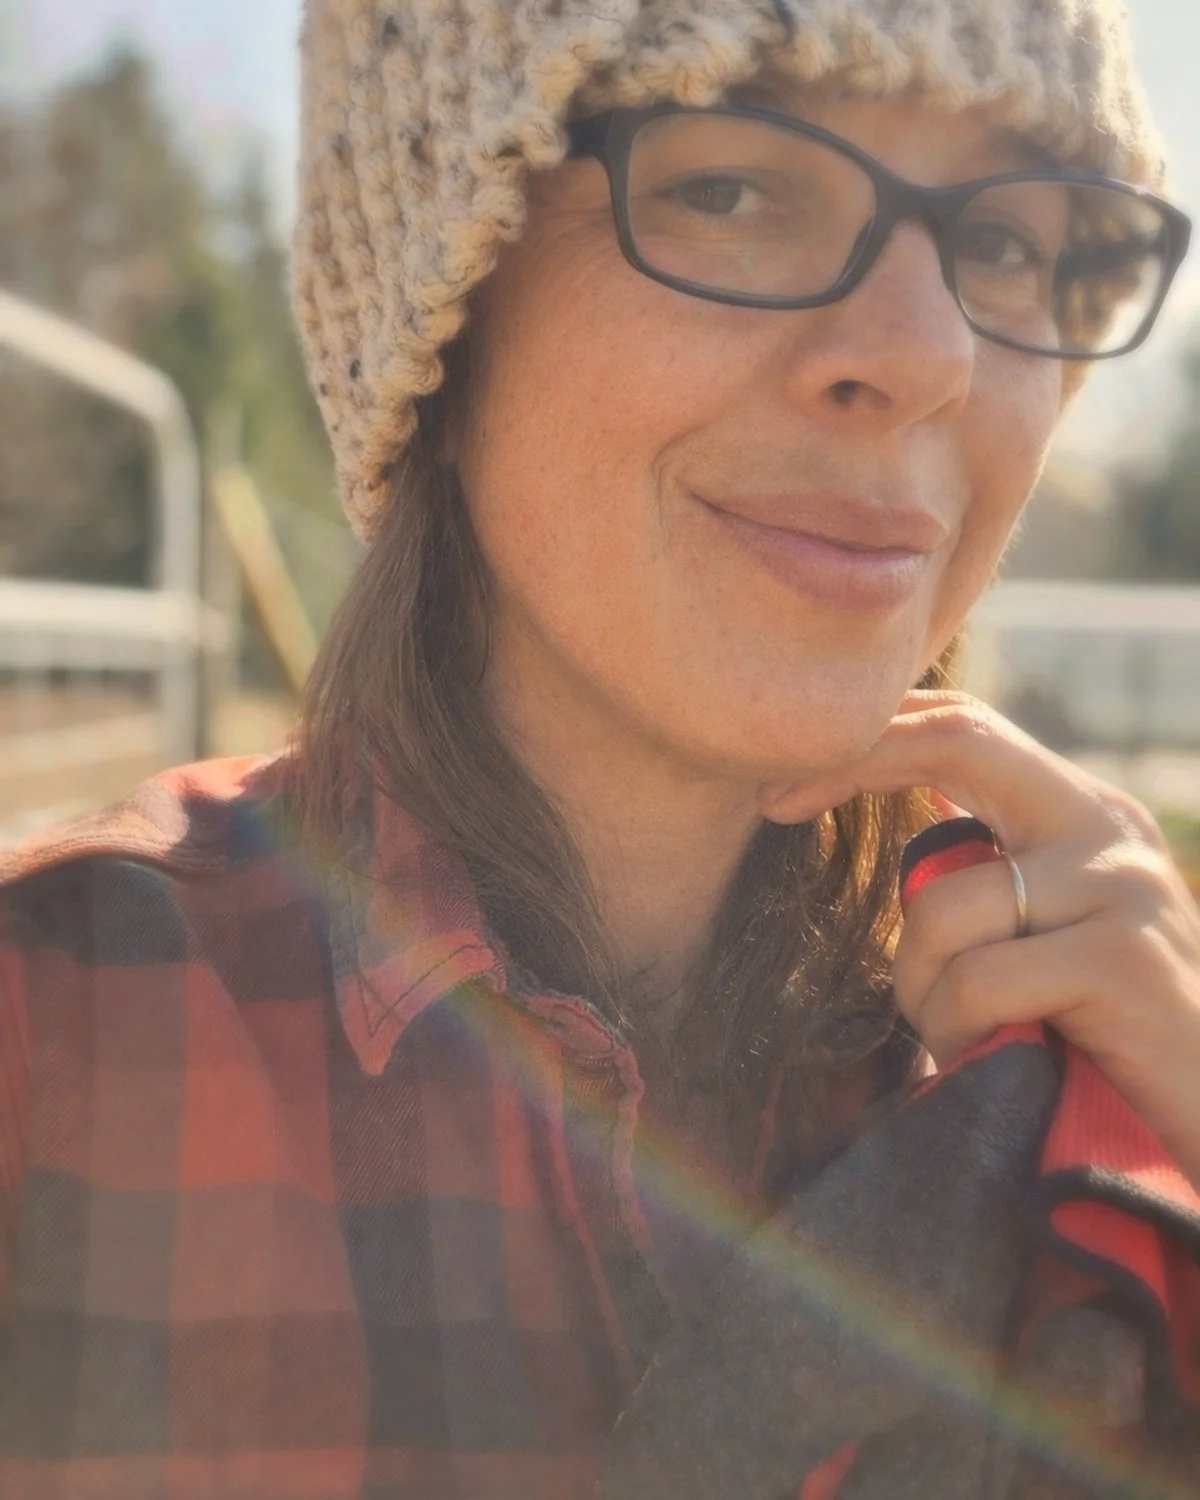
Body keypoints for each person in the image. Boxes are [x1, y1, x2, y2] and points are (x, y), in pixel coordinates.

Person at [0, 0, 1198, 1494]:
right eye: (731, 190)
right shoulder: (63, 1032)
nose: (926, 353)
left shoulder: (1113, 1072)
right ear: (442, 323)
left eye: (1011, 240)